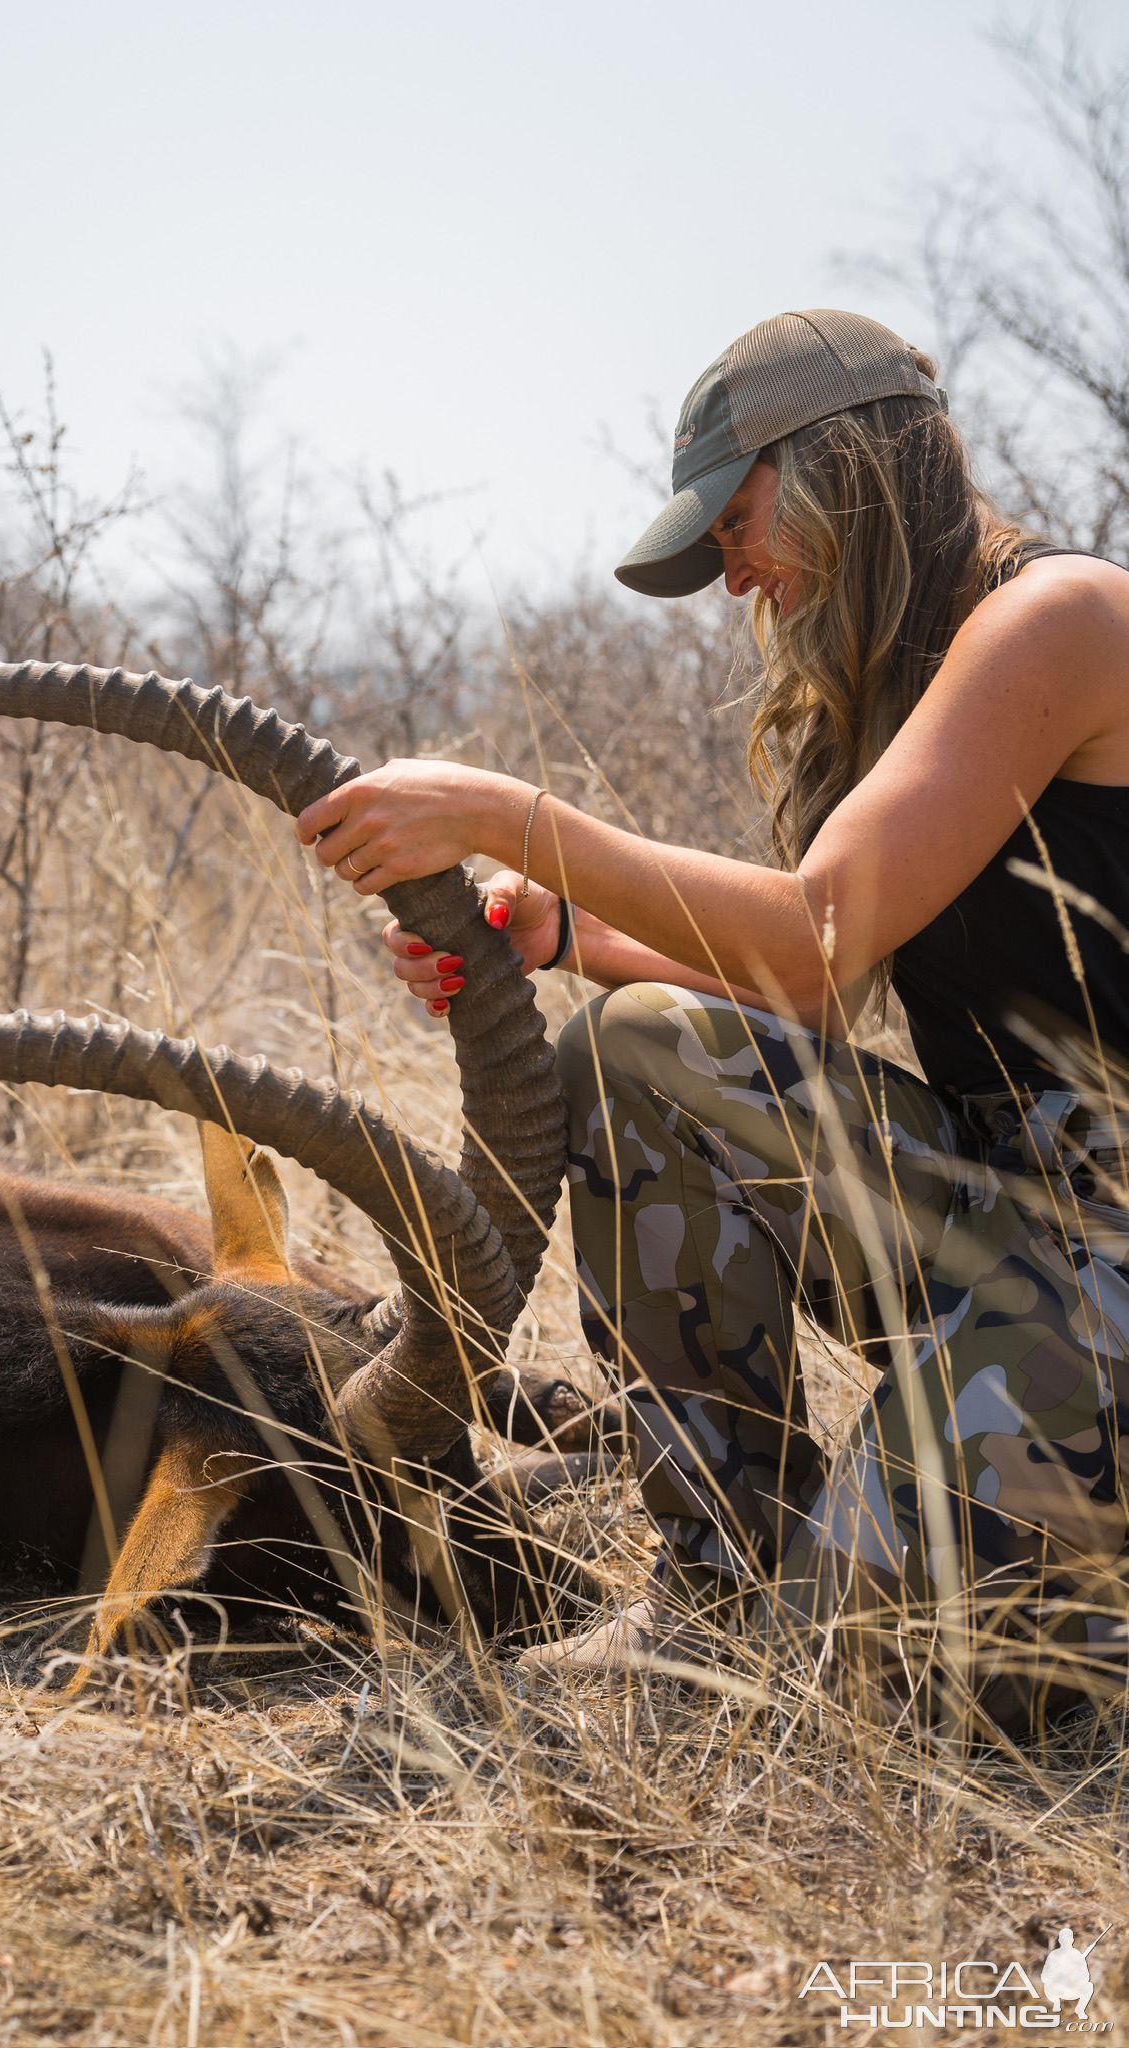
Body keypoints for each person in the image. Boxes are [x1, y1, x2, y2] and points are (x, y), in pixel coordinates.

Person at [294, 309, 1129, 1736]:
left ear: (846, 468)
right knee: (634, 1051)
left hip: (1106, 1253)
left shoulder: (1062, 619)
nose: (732, 573)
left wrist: (511, 814)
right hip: (1008, 1211)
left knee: (859, 1693)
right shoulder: (900, 682)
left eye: (736, 521)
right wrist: (559, 943)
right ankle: (710, 1586)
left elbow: (809, 937)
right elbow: (802, 982)